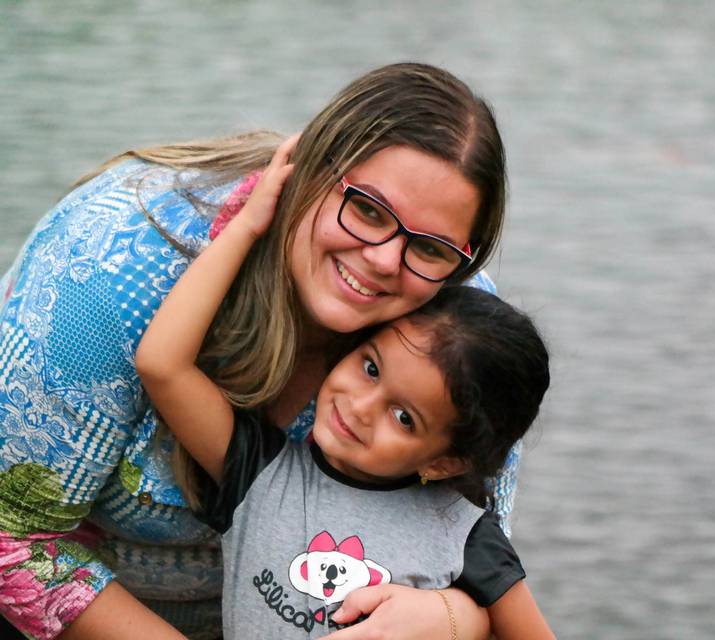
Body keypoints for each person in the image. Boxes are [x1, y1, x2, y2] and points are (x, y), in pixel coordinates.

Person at [0, 63, 519, 639]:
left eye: (430, 247)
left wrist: (453, 618)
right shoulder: (110, 265)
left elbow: (485, 572)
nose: (383, 260)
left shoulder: (465, 346)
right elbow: (9, 535)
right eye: (367, 209)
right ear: (308, 169)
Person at [134, 143, 554, 639]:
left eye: (404, 417)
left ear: (445, 462)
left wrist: (456, 621)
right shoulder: (260, 473)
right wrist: (248, 226)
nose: (360, 406)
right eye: (371, 368)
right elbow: (161, 364)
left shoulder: (463, 534)